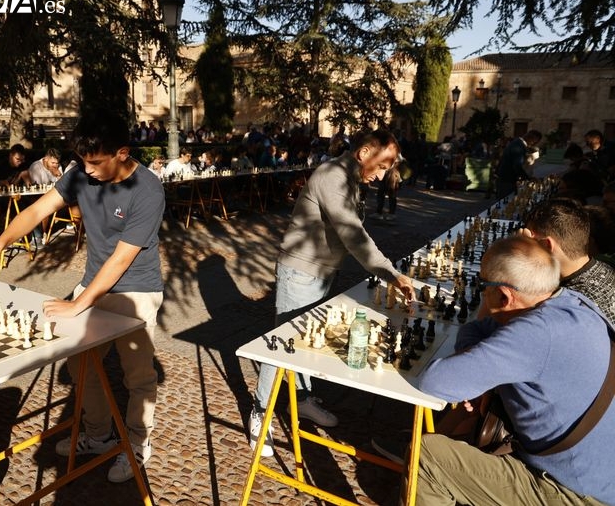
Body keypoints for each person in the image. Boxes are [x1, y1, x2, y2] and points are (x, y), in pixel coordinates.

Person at [0, 115, 164, 484]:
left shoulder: (148, 189)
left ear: (122, 153)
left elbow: (122, 258)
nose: (87, 171)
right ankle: (97, 435)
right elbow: (37, 210)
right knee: (80, 367)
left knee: (137, 376)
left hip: (136, 290)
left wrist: (78, 304)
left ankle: (137, 445)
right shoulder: (79, 172)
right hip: (94, 283)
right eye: (83, 161)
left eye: (96, 162)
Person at [249, 129, 415, 456]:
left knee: (310, 339)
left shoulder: (352, 181)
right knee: (283, 343)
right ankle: (260, 410)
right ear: (364, 152)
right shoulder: (332, 176)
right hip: (300, 271)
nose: (381, 176)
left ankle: (303, 399)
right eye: (381, 167)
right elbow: (355, 236)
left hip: (324, 271)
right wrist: (390, 273)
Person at [416, 235, 615, 505]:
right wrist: (480, 366)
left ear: (503, 294)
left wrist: (477, 369)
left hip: (579, 494)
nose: (481, 293)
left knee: (427, 455)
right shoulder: (571, 304)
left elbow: (435, 381)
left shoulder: (534, 334)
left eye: (483, 285)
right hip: (597, 473)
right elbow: (475, 329)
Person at [522, 197, 615, 325]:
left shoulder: (570, 304)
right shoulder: (605, 269)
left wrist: (518, 256)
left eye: (529, 243)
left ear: (547, 245)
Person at [495, 129, 542, 198]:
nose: (533, 144)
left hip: (504, 178)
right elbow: (517, 166)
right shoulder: (519, 146)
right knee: (505, 202)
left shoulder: (516, 142)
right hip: (507, 180)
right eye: (535, 142)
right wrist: (528, 179)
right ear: (532, 139)